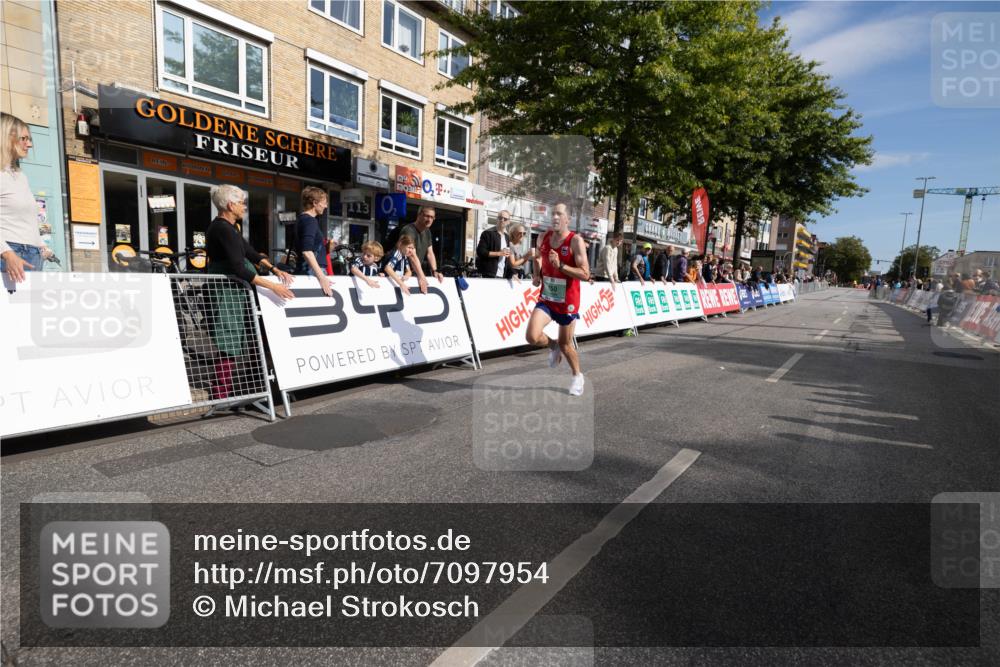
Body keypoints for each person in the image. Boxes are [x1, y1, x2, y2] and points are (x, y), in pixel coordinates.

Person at [205, 184, 293, 399]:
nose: (244, 206)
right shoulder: (222, 229)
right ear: (230, 204)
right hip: (228, 292)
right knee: (229, 340)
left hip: (238, 290)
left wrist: (274, 268)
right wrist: (273, 286)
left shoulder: (230, 227)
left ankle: (256, 384)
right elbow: (238, 267)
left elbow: (250, 252)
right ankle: (221, 394)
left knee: (253, 334)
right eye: (242, 202)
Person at [525, 203, 590, 396]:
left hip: (567, 300)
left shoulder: (575, 241)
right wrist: (536, 275)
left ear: (567, 219)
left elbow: (585, 274)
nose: (554, 217)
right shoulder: (543, 237)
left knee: (566, 344)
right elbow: (538, 258)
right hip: (547, 298)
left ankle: (577, 375)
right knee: (532, 336)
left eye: (559, 214)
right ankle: (552, 346)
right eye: (552, 213)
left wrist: (561, 266)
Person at [1, 113, 53, 284]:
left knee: (29, 310)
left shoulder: (19, 175)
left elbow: (26, 220)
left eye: (29, 139)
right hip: (8, 256)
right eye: (24, 138)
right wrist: (7, 253)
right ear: (6, 137)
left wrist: (40, 246)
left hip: (32, 255)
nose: (29, 144)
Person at [293, 186, 332, 296]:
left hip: (307, 270)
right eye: (324, 202)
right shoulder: (310, 221)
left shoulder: (302, 219)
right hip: (312, 272)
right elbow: (307, 251)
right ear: (315, 203)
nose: (326, 206)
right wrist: (322, 277)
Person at [398, 206, 443, 294]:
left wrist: (435, 271)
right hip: (403, 274)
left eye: (432, 217)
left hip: (415, 272)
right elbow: (411, 255)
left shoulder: (427, 231)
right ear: (419, 215)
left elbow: (430, 253)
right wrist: (421, 276)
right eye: (427, 216)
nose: (429, 220)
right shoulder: (409, 230)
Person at [476, 210, 511, 278]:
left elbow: (506, 259)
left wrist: (512, 273)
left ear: (508, 222)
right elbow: (480, 252)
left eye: (505, 219)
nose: (502, 220)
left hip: (502, 275)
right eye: (500, 218)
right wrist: (499, 253)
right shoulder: (487, 233)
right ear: (497, 219)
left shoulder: (507, 237)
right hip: (489, 274)